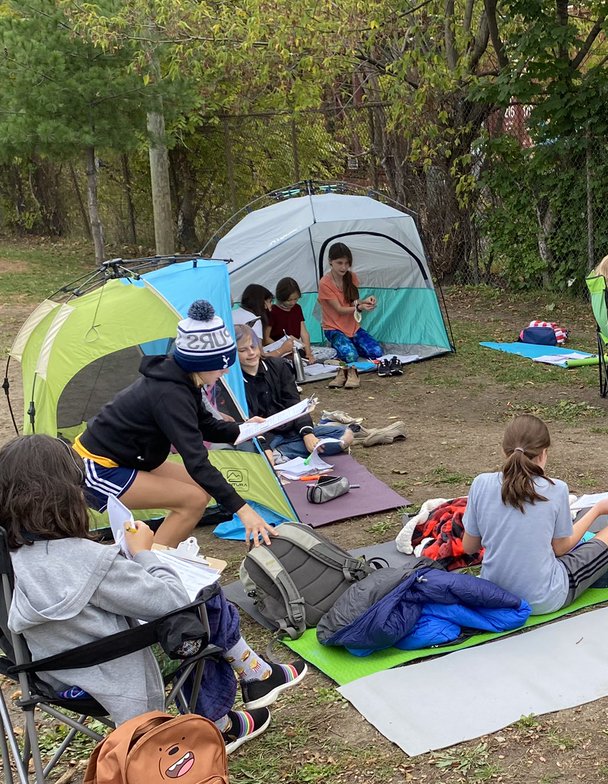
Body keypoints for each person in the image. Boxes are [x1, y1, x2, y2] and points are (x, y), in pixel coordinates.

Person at [0, 435, 307, 751]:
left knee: (198, 610)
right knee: (205, 601)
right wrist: (142, 553)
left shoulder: (9, 560)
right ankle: (227, 710)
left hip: (52, 677)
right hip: (114, 673)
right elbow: (171, 602)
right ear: (67, 496)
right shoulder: (87, 560)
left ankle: (252, 680)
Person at [72, 301, 276, 548]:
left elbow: (205, 424)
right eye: (221, 366)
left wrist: (244, 429)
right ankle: (148, 571)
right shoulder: (169, 394)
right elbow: (197, 461)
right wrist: (244, 511)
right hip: (97, 468)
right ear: (200, 363)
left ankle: (157, 552)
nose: (225, 372)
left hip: (129, 458)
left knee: (199, 492)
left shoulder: (184, 379)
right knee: (192, 500)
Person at [462, 415, 608, 615]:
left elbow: (469, 547)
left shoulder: (480, 483)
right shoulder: (556, 489)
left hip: (493, 595)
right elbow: (561, 548)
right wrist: (597, 510)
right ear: (544, 453)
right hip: (543, 598)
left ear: (504, 451)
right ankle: (591, 576)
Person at [234, 325, 353, 461]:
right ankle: (275, 454)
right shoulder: (234, 382)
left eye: (253, 347)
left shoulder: (279, 366)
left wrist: (307, 433)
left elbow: (294, 402)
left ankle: (281, 453)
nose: (251, 353)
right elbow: (245, 421)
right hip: (263, 436)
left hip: (290, 430)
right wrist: (264, 446)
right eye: (243, 350)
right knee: (249, 451)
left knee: (345, 434)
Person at [317, 243, 383, 365]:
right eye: (340, 263)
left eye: (347, 263)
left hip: (353, 327)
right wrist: (359, 307)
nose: (344, 267)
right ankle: (336, 351)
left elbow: (353, 302)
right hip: (333, 328)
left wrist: (365, 301)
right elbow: (339, 309)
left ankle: (348, 345)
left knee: (377, 352)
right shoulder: (325, 283)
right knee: (351, 356)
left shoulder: (351, 277)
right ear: (330, 261)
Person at [270, 276, 336, 364]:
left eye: (295, 299)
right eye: (289, 300)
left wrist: (308, 353)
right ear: (281, 298)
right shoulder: (272, 311)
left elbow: (304, 333)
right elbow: (266, 339)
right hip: (280, 350)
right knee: (290, 362)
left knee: (331, 352)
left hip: (296, 347)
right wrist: (282, 348)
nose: (293, 303)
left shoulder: (297, 308)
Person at [238, 284, 294, 358]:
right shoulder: (254, 320)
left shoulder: (233, 314)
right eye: (270, 301)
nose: (271, 306)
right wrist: (283, 349)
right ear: (263, 303)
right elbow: (260, 356)